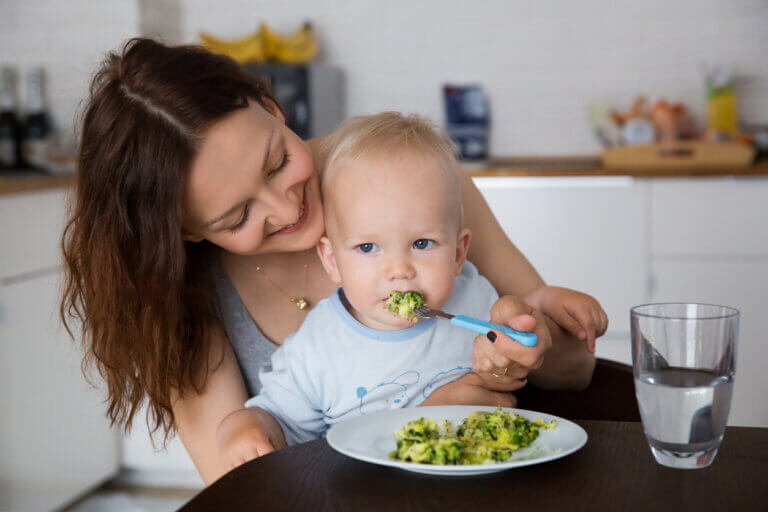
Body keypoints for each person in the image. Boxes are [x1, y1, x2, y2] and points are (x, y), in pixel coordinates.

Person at [61, 38, 606, 485]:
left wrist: (521, 350)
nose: (286, 209)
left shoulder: (407, 178)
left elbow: (575, 371)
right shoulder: (183, 293)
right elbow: (246, 486)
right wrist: (411, 429)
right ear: (187, 233)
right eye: (238, 216)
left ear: (272, 108)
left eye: (277, 162)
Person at [215, 113, 606, 466]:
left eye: (422, 244)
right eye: (368, 248)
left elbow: (518, 326)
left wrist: (542, 304)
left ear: (459, 253)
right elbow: (275, 417)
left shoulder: (474, 298)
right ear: (332, 260)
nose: (399, 270)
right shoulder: (315, 348)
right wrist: (245, 426)